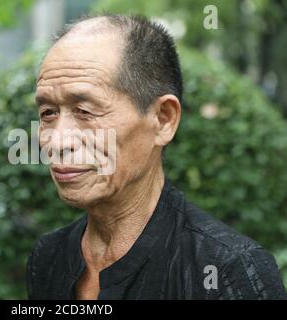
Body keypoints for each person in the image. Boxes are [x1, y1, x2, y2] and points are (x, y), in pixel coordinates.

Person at [26, 14, 286, 299]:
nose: (58, 140)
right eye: (48, 113)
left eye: (85, 112)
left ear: (163, 119)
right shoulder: (48, 258)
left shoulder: (226, 270)